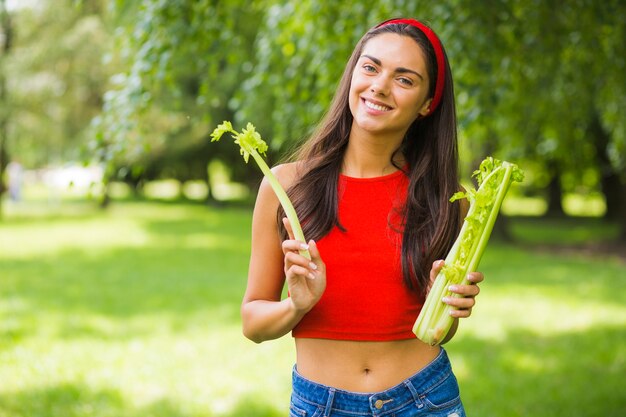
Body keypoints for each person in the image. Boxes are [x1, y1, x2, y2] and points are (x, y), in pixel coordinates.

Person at [242, 18, 484, 416]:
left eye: (404, 79)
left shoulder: (449, 200)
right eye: (370, 68)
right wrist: (296, 306)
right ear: (353, 74)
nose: (380, 86)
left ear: (427, 103)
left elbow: (441, 330)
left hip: (426, 401)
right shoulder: (285, 188)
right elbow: (253, 322)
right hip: (322, 405)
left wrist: (449, 304)